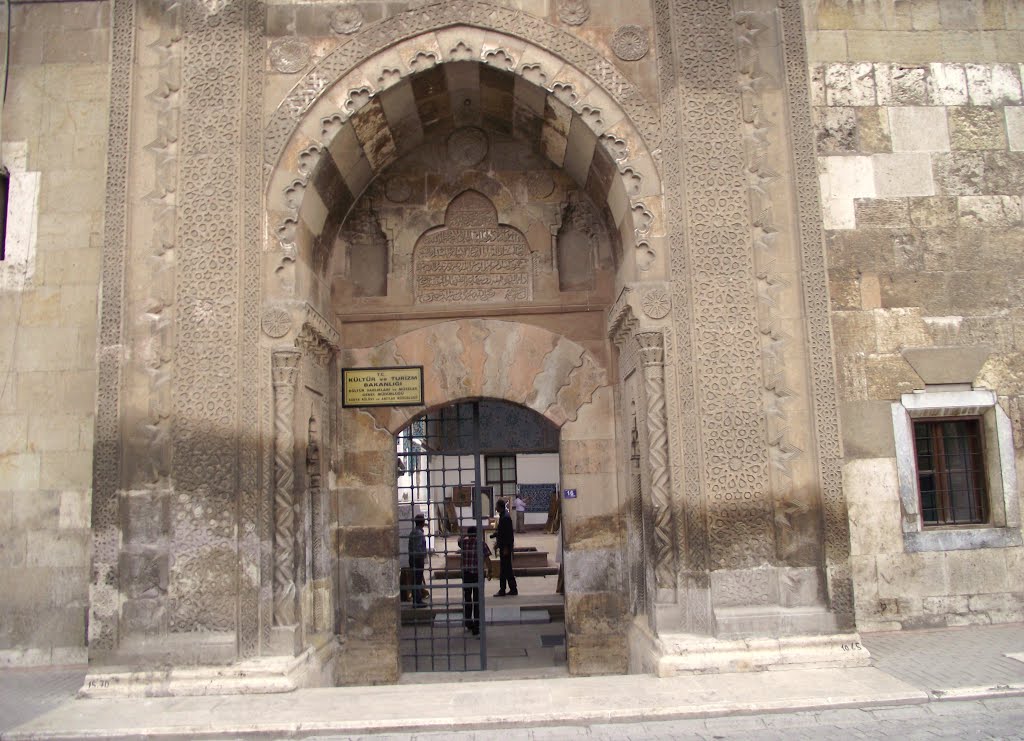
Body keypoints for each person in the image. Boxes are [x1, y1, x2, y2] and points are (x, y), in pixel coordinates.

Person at [458, 525, 491, 635]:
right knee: (477, 600)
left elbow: (459, 539)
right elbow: (487, 559)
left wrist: (464, 535)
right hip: (477, 574)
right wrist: (490, 571)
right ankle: (477, 626)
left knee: (467, 598)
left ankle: (468, 622)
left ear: (468, 534)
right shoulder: (481, 544)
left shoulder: (464, 543)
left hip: (466, 574)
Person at [491, 500, 518, 597]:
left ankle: (506, 589)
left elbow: (507, 534)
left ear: (500, 507)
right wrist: (495, 535)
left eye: (496, 506)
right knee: (505, 569)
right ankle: (510, 589)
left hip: (505, 547)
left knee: (506, 569)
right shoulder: (503, 516)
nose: (495, 508)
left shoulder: (505, 517)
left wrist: (506, 548)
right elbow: (501, 531)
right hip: (503, 546)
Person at [407, 513, 428, 607]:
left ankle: (417, 600)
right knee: (417, 580)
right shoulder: (419, 533)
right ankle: (417, 601)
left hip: (413, 558)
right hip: (417, 559)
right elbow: (418, 548)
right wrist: (424, 554)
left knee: (416, 579)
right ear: (422, 522)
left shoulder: (413, 532)